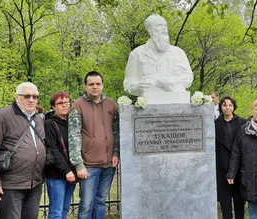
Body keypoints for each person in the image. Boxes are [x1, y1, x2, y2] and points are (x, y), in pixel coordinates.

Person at [0, 82, 46, 219]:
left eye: (35, 96)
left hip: (35, 183)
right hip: (10, 185)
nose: (31, 99)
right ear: (17, 97)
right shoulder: (1, 116)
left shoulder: (38, 119)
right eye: (27, 96)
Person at [68, 71, 120, 219]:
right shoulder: (78, 105)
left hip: (109, 164)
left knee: (101, 201)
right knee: (86, 204)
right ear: (86, 86)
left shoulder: (111, 104)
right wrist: (78, 164)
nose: (95, 87)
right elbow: (73, 136)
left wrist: (116, 153)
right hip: (89, 165)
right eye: (91, 84)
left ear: (102, 85)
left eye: (98, 84)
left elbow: (117, 131)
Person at [123, 14, 193, 96]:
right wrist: (138, 86)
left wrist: (174, 80)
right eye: (159, 25)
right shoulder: (137, 54)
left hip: (177, 100)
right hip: (148, 102)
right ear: (150, 29)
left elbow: (188, 77)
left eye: (165, 25)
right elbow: (128, 84)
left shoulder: (178, 53)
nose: (164, 28)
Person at [44, 92, 76, 219]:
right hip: (56, 173)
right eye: (60, 103)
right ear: (53, 106)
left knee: (65, 209)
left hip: (72, 173)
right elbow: (53, 149)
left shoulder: (72, 123)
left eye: (67, 102)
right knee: (56, 211)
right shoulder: (49, 124)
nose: (64, 105)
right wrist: (66, 170)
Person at [215, 96, 247, 219]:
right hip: (221, 166)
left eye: (230, 105)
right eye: (224, 105)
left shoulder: (242, 123)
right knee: (225, 200)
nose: (227, 107)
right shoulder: (214, 124)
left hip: (239, 166)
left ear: (234, 107)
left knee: (239, 199)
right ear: (220, 107)